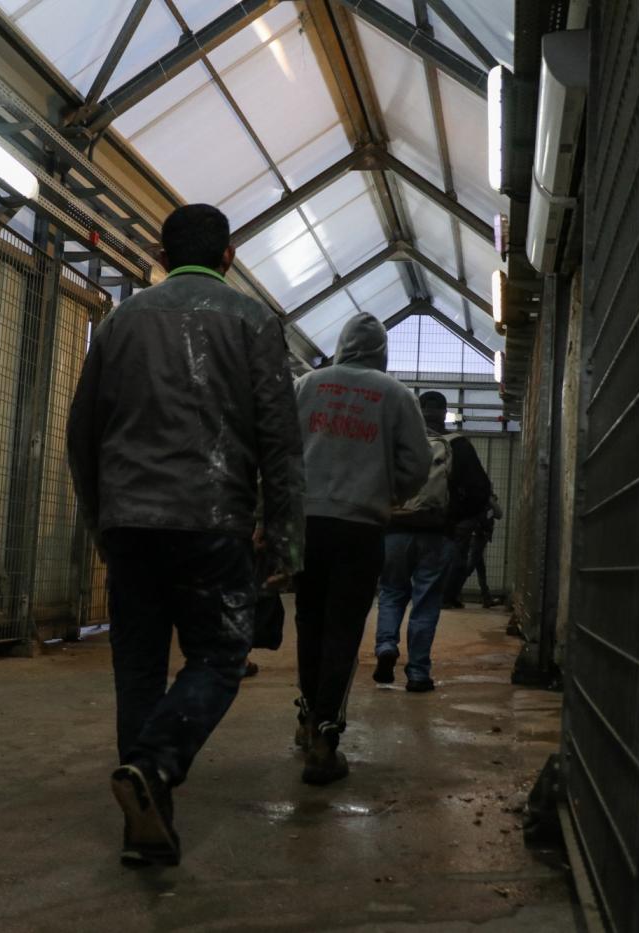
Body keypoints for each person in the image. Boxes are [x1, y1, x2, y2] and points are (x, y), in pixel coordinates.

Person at [66, 204, 304, 867]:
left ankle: (146, 825)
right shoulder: (254, 320)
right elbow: (280, 441)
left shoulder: (121, 321)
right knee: (221, 655)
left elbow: (82, 432)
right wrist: (285, 540)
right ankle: (156, 762)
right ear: (228, 256)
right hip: (212, 522)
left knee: (138, 668)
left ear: (162, 257)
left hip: (130, 524)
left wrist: (102, 522)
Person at [292, 314, 431, 785]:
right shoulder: (396, 395)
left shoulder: (306, 385)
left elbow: (280, 449)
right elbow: (419, 463)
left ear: (341, 344)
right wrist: (391, 494)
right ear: (382, 352)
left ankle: (308, 716)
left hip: (308, 522)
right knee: (343, 629)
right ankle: (325, 739)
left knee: (309, 621)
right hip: (361, 527)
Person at [373, 392, 492, 692]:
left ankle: (386, 646)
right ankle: (418, 673)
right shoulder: (458, 445)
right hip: (437, 534)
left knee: (391, 592)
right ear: (444, 412)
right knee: (425, 602)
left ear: (417, 410)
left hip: (395, 531)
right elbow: (481, 492)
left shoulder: (396, 441)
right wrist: (453, 519)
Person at [443, 490, 502, 609]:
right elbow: (499, 514)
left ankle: (486, 597)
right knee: (467, 568)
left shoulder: (475, 499)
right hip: (477, 537)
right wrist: (491, 500)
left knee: (480, 568)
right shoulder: (484, 500)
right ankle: (451, 595)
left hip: (474, 536)